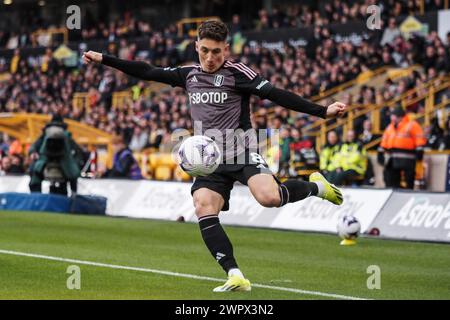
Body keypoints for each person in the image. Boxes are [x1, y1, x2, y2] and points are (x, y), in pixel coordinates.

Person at [83, 20, 346, 292]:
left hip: (241, 150)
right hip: (209, 159)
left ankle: (317, 186)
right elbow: (148, 71)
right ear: (196, 46)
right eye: (205, 50)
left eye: (217, 52)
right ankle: (234, 274)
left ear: (226, 50)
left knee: (270, 198)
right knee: (203, 207)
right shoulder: (189, 75)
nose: (210, 58)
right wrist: (104, 59)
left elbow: (277, 95)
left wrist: (321, 111)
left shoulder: (238, 74)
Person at [28, 114, 84, 196]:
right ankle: (73, 195)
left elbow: (34, 146)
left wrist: (33, 153)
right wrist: (77, 162)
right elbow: (78, 151)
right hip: (65, 165)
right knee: (73, 175)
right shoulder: (66, 135)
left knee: (34, 173)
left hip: (45, 163)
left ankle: (36, 198)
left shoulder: (45, 133)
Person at [378, 106, 426, 189]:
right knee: (390, 180)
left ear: (399, 116)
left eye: (393, 115)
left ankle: (407, 196)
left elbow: (419, 140)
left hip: (408, 159)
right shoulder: (390, 127)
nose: (391, 117)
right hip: (393, 160)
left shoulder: (412, 125)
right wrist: (380, 153)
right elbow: (384, 142)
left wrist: (419, 155)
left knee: (409, 181)